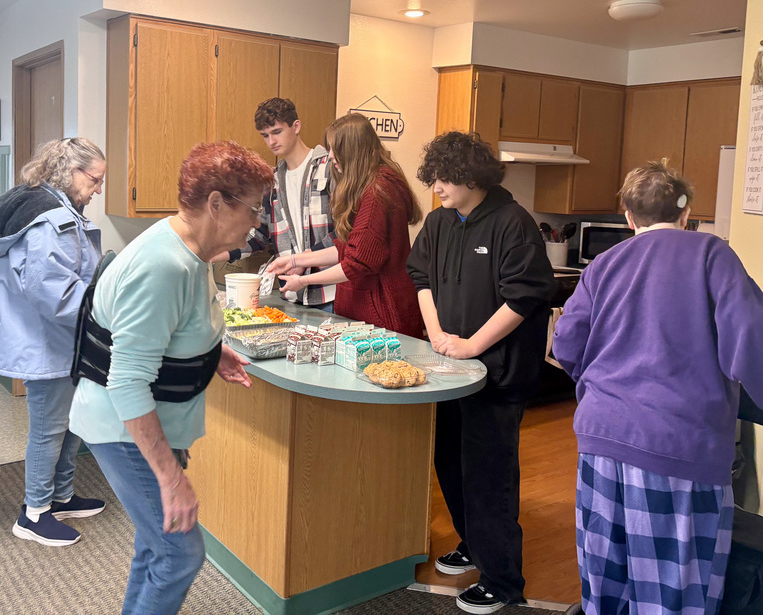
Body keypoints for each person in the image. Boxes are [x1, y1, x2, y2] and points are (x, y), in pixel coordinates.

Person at [551, 160, 763, 615]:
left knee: (604, 584)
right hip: (677, 449)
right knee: (671, 594)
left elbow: (566, 344)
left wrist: (609, 393)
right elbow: (754, 344)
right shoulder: (710, 255)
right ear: (686, 212)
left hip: (600, 442)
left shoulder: (603, 265)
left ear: (629, 217)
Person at [68, 141, 274, 615]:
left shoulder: (190, 249)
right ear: (217, 204)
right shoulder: (163, 266)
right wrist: (169, 478)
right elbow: (125, 380)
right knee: (180, 554)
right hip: (125, 430)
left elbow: (170, 328)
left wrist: (210, 352)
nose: (258, 220)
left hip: (141, 423)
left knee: (154, 546)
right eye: (254, 207)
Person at [405, 131, 555, 614]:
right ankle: (474, 543)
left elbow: (524, 297)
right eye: (434, 180)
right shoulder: (441, 221)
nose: (437, 188)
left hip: (497, 375)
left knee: (489, 477)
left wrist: (471, 345)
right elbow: (421, 277)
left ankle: (503, 579)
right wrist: (436, 334)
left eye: (444, 179)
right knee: (449, 463)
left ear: (471, 176)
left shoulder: (513, 224)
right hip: (448, 370)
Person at [0, 137, 108, 546]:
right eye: (95, 179)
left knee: (70, 423)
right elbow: (52, 291)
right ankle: (34, 514)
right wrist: (104, 313)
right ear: (71, 172)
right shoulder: (51, 219)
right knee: (50, 429)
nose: (99, 189)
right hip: (47, 342)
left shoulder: (51, 206)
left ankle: (61, 496)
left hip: (59, 340)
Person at [271, 112, 424, 337]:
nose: (331, 156)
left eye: (335, 149)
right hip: (367, 313)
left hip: (383, 314)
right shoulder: (371, 185)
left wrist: (303, 280)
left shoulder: (377, 192)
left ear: (353, 150)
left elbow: (357, 263)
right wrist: (294, 260)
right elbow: (347, 247)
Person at [216, 97, 337, 311]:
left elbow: (344, 233)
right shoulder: (272, 181)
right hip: (291, 294)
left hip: (331, 292)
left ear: (296, 126)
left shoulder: (328, 168)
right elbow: (260, 235)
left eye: (277, 132)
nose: (271, 141)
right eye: (265, 135)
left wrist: (300, 261)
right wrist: (219, 252)